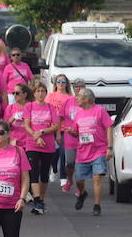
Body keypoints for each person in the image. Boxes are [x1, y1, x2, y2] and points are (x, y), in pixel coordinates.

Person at [67, 88, 113, 216]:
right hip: (82, 152)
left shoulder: (100, 111)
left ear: (87, 99)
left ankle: (97, 205)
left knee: (97, 178)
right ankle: (82, 193)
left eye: (79, 96)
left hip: (98, 150)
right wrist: (72, 132)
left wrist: (109, 148)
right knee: (79, 180)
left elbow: (109, 127)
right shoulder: (79, 114)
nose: (76, 98)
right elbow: (77, 132)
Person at [23, 81, 59, 214]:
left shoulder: (50, 107)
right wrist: (36, 136)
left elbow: (55, 125)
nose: (40, 93)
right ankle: (37, 199)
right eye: (37, 91)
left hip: (48, 145)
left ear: (46, 93)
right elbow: (26, 125)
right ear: (34, 93)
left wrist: (42, 132)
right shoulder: (29, 106)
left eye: (42, 91)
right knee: (33, 172)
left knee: (44, 175)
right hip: (32, 144)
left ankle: (41, 201)